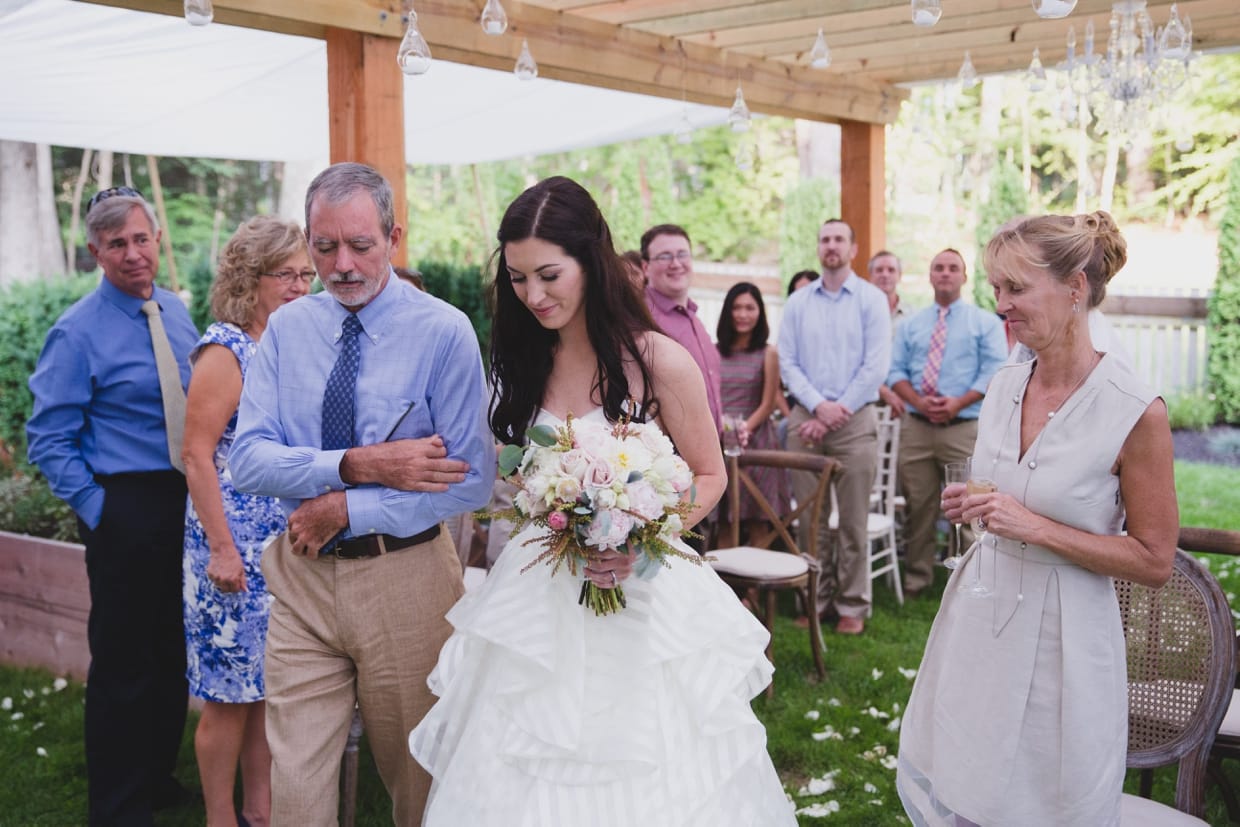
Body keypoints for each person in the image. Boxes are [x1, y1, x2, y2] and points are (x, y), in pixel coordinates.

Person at [408, 176, 796, 826]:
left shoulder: (658, 361)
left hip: (640, 592)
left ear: (591, 259)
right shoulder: (522, 359)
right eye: (517, 278)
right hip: (540, 596)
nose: (533, 294)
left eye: (548, 274)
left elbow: (708, 475)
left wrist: (637, 535)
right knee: (526, 748)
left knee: (653, 761)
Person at [228, 162, 495, 826]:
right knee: (296, 786)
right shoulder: (289, 330)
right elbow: (247, 459)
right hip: (303, 580)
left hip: (406, 579)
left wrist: (347, 506)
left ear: (393, 237)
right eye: (324, 247)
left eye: (360, 245)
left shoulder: (444, 331)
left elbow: (474, 476)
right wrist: (356, 464)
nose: (341, 264)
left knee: (418, 779)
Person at [896, 212, 1178, 825]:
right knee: (970, 782)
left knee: (1046, 801)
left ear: (1076, 287)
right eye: (996, 289)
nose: (1001, 305)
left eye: (1016, 289)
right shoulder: (1002, 386)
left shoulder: (1136, 411)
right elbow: (1003, 496)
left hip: (1067, 639)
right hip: (979, 615)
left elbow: (1155, 560)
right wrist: (976, 506)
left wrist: (1034, 526)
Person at [27, 186, 199, 824]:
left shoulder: (176, 312)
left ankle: (156, 778)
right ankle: (118, 805)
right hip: (124, 503)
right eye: (117, 244)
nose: (133, 254)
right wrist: (99, 509)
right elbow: (48, 437)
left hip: (183, 499)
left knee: (171, 649)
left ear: (157, 240)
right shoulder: (75, 333)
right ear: (96, 252)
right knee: (125, 658)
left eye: (141, 238)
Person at [181, 216, 313, 827]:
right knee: (227, 699)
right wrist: (222, 550)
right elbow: (196, 453)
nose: (300, 286)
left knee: (265, 693)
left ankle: (261, 814)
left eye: (306, 274)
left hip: (278, 550)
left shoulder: (288, 342)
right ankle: (219, 818)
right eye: (285, 274)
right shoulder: (226, 348)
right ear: (248, 278)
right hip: (229, 548)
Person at [779, 218, 891, 635]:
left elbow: (875, 365)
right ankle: (814, 599)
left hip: (855, 418)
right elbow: (787, 363)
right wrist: (817, 406)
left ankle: (852, 604)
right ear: (817, 247)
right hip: (806, 419)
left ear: (853, 248)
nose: (831, 246)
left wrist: (837, 409)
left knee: (852, 521)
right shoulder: (797, 303)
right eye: (824, 239)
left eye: (839, 239)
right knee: (809, 520)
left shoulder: (872, 300)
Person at [886, 249, 1007, 598]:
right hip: (918, 427)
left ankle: (971, 579)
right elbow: (895, 371)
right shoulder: (911, 325)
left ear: (964, 277)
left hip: (964, 428)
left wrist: (957, 403)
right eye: (938, 267)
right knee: (917, 506)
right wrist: (918, 401)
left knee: (971, 505)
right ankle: (918, 578)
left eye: (953, 268)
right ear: (930, 275)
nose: (945, 273)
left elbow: (994, 371)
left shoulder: (984, 322)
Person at [716, 281, 790, 540]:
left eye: (750, 307)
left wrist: (742, 429)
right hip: (720, 440)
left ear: (760, 313)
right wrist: (724, 430)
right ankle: (723, 580)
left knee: (757, 520)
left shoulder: (768, 353)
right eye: (737, 307)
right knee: (725, 522)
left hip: (756, 441)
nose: (743, 314)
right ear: (727, 311)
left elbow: (768, 402)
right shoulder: (715, 352)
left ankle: (755, 581)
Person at [641, 223, 723, 431]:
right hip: (674, 457)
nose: (676, 263)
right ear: (645, 267)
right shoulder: (641, 321)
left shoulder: (695, 319)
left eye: (682, 254)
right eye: (665, 256)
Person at [869, 250, 909, 414]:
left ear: (899, 275)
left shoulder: (913, 317)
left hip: (904, 401)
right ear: (870, 275)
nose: (885, 275)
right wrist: (884, 391)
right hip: (866, 399)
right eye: (879, 270)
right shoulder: (857, 316)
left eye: (891, 270)